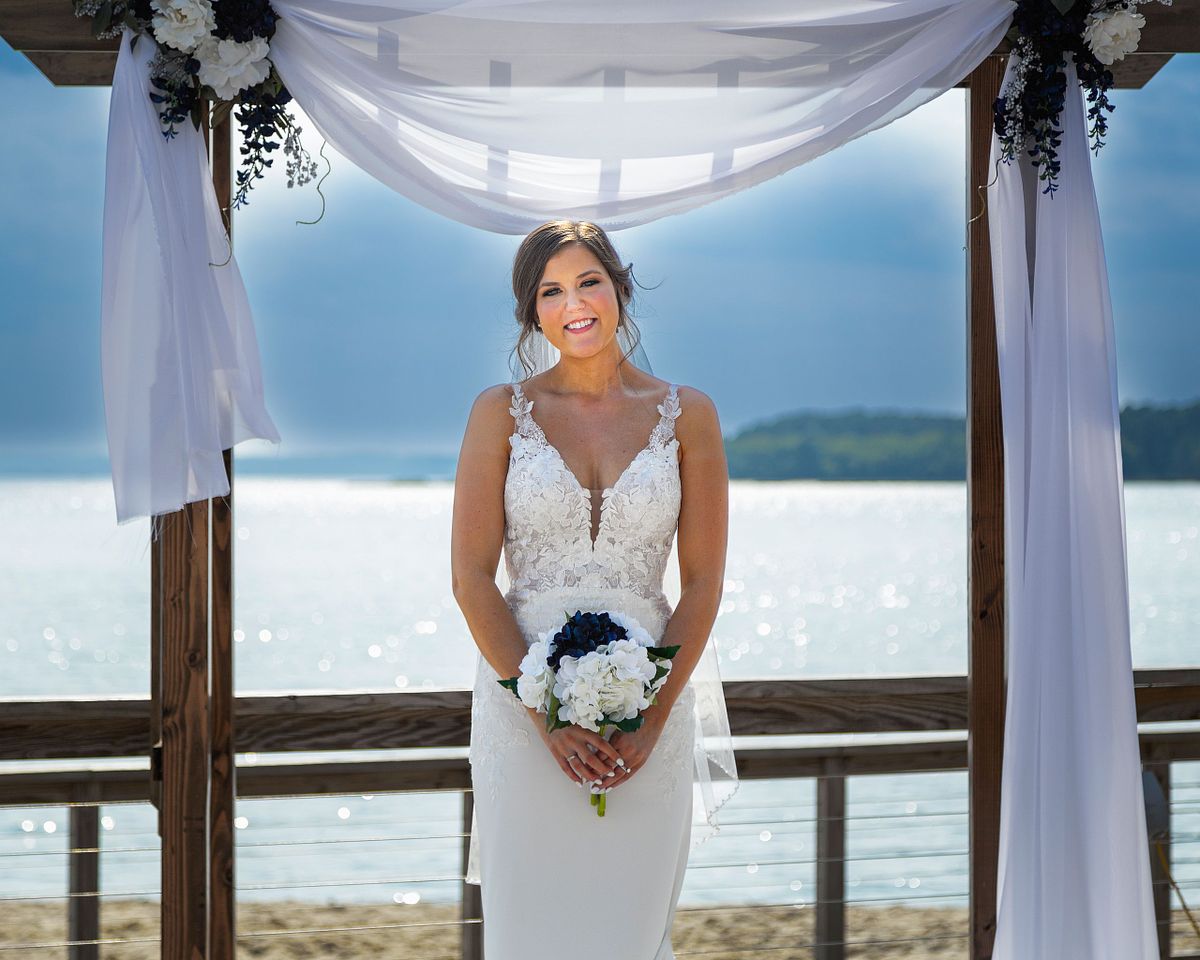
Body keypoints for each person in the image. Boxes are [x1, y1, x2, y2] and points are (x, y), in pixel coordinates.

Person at [450, 219, 729, 960]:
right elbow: (471, 578)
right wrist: (543, 715)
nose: (573, 304)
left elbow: (703, 583)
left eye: (588, 282)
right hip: (523, 719)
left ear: (620, 288)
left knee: (630, 931)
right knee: (530, 931)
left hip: (649, 718)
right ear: (532, 313)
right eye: (551, 292)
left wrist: (651, 719)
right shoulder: (499, 413)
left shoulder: (690, 416)